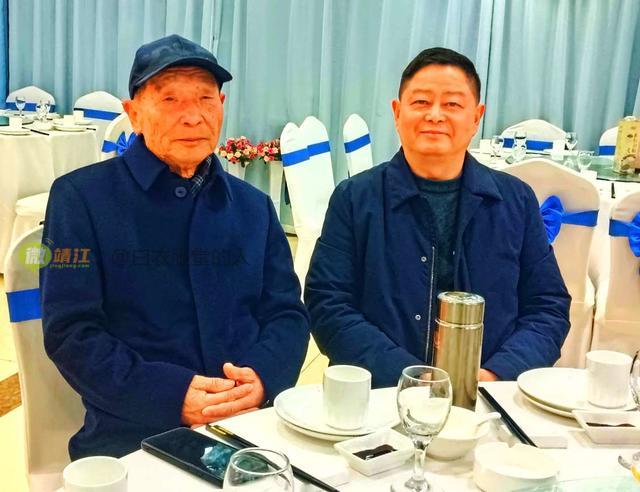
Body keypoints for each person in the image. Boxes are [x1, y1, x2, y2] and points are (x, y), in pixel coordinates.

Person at [41, 34, 309, 459]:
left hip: (251, 424)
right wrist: (171, 394)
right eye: (170, 100)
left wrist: (262, 377)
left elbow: (286, 313)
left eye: (205, 99)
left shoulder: (253, 207)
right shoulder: (81, 200)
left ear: (222, 105)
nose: (193, 117)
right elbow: (71, 333)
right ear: (134, 114)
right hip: (134, 433)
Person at [305, 47, 570, 388]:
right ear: (397, 112)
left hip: (489, 394)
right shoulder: (356, 199)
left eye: (452, 104)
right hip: (382, 392)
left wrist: (495, 374)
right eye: (420, 102)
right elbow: (328, 304)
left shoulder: (515, 201)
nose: (434, 115)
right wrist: (410, 377)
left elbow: (547, 306)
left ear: (476, 117)